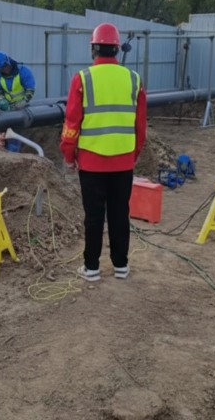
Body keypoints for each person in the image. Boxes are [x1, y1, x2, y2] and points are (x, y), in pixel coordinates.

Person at [60, 23, 147, 281]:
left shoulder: (83, 78)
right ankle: (121, 266)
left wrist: (68, 156)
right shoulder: (134, 79)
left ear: (94, 49)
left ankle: (92, 268)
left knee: (94, 216)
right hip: (123, 163)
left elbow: (71, 124)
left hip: (91, 163)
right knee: (120, 214)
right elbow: (140, 126)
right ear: (117, 49)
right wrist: (134, 154)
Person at [0, 50, 36, 152]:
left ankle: (13, 154)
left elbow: (30, 90)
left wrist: (23, 102)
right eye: (2, 68)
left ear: (8, 60)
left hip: (21, 109)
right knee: (5, 133)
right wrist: (1, 99)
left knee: (15, 133)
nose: (6, 69)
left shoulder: (23, 71)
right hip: (7, 109)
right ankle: (6, 150)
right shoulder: (0, 76)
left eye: (6, 66)